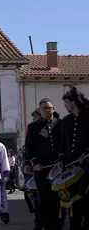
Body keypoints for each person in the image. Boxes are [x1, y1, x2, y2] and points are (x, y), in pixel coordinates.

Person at [25, 98, 63, 230]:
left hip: (58, 168)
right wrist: (35, 163)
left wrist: (61, 158)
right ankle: (43, 224)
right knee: (43, 199)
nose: (48, 111)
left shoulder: (61, 124)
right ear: (40, 111)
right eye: (45, 108)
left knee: (57, 199)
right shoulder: (33, 127)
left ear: (53, 109)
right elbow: (29, 148)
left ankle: (57, 224)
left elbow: (65, 144)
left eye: (50, 108)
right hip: (41, 169)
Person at [58, 87, 89, 230]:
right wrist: (61, 160)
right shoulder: (66, 120)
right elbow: (63, 143)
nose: (65, 106)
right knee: (73, 204)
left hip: (87, 167)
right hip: (70, 167)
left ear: (73, 102)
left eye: (66, 103)